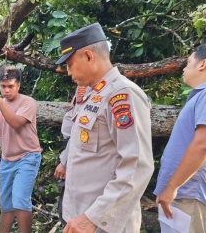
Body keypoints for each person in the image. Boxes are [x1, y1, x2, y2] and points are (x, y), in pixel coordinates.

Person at [55, 23, 154, 233]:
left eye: (71, 64)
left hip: (103, 223)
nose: (68, 72)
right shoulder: (92, 94)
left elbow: (137, 165)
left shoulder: (122, 94)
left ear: (89, 56)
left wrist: (94, 217)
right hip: (81, 216)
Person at [0, 65, 42, 233]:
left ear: (18, 86)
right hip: (6, 161)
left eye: (10, 86)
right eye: (3, 86)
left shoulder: (28, 102)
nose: (6, 90)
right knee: (6, 205)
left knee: (20, 200)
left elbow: (15, 123)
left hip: (28, 157)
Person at [154, 44, 206, 232]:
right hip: (182, 195)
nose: (184, 68)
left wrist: (171, 188)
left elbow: (202, 145)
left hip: (188, 195)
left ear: (203, 64)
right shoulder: (199, 96)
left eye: (188, 62)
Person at [53, 86, 90, 227]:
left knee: (70, 211)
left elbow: (78, 132)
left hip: (77, 153)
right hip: (70, 147)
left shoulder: (93, 89)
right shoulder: (83, 86)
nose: (70, 72)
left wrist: (64, 163)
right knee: (66, 209)